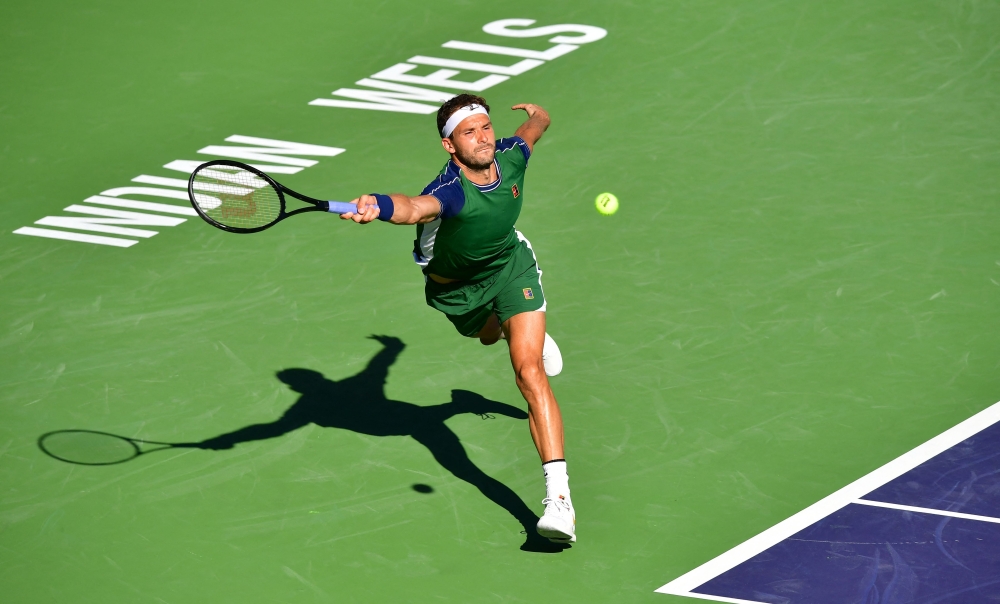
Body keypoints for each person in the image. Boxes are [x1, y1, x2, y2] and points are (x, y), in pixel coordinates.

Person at [341, 94, 575, 544]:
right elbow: (413, 206)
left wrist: (538, 114)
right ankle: (514, 326)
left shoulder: (510, 156)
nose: (483, 138)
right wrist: (379, 205)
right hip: (456, 292)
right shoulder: (449, 190)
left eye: (485, 127)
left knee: (529, 372)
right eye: (469, 132)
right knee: (490, 335)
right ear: (450, 146)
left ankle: (559, 502)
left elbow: (535, 127)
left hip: (510, 267)